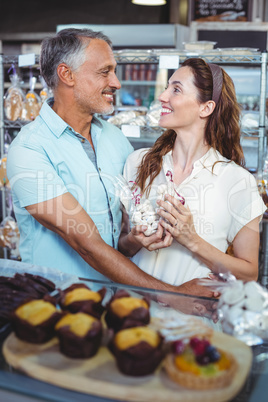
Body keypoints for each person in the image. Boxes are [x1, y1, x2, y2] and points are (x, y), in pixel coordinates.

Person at [6, 29, 218, 304]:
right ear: (67, 75)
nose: (116, 83)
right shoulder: (30, 149)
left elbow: (118, 236)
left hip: (114, 305)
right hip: (55, 311)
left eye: (114, 71)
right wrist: (173, 295)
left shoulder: (115, 139)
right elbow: (87, 244)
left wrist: (138, 237)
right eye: (104, 72)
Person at [119, 58, 267, 287]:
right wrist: (134, 240)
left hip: (192, 320)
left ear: (206, 107)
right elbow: (121, 247)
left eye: (176, 89)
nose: (163, 96)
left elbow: (249, 273)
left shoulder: (238, 181)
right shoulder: (138, 162)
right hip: (134, 313)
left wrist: (191, 239)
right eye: (167, 86)